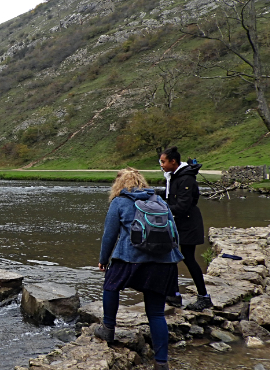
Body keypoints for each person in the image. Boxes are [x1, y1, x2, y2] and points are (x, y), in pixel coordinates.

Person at [94, 167, 183, 370]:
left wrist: (103, 259)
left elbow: (109, 235)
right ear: (142, 182)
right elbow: (174, 234)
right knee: (156, 314)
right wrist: (171, 259)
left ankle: (108, 329)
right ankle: (161, 363)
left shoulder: (119, 201)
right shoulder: (159, 201)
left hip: (130, 258)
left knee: (110, 286)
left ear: (118, 184)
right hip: (163, 262)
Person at [159, 146, 211, 311]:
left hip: (189, 225)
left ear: (173, 162)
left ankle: (204, 297)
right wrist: (152, 193)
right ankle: (173, 294)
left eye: (163, 161)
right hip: (178, 224)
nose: (161, 164)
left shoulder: (186, 179)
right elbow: (172, 196)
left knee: (188, 259)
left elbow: (182, 206)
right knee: (171, 257)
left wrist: (159, 207)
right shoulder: (175, 176)